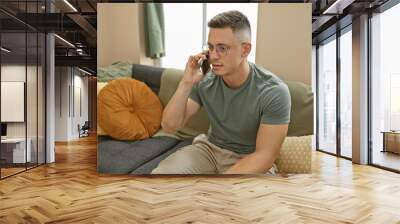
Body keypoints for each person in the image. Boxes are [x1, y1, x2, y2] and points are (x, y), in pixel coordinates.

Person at [151, 10, 291, 174]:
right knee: (161, 176)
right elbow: (169, 126)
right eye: (211, 47)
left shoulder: (274, 92)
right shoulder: (205, 80)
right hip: (209, 151)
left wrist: (220, 185)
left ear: (245, 50)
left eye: (222, 48)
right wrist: (186, 82)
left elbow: (265, 155)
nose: (214, 56)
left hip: (250, 160)